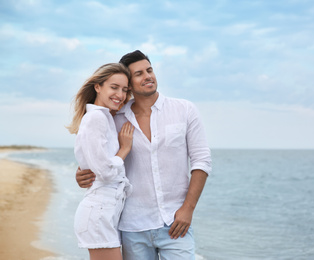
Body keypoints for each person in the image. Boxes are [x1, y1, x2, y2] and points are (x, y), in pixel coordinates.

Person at [76, 50, 212, 260]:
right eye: (139, 73)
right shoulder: (115, 117)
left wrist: (188, 209)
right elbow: (96, 155)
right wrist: (83, 173)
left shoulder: (184, 110)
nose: (148, 76)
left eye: (149, 70)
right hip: (132, 226)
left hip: (175, 223)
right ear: (129, 84)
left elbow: (201, 161)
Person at [68, 63, 135, 260]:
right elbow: (105, 172)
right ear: (98, 86)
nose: (120, 95)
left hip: (106, 212)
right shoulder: (96, 118)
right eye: (114, 87)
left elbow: (95, 165)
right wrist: (124, 149)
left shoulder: (106, 118)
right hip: (99, 213)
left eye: (125, 90)